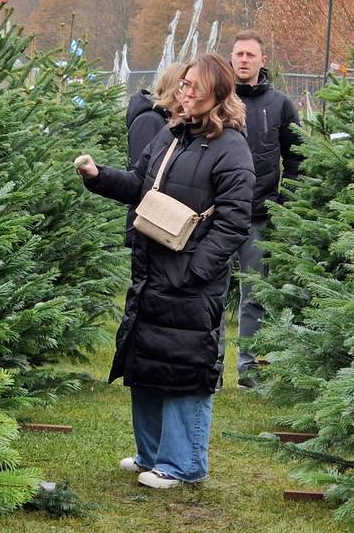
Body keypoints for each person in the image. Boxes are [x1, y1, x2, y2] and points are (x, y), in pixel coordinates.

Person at [76, 55, 254, 488]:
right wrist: (98, 176)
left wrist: (196, 271)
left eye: (195, 86)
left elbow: (233, 222)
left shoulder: (232, 148)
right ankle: (150, 454)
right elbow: (140, 184)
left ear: (218, 94)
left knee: (184, 368)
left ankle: (183, 464)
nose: (185, 91)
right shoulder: (172, 135)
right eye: (184, 84)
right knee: (149, 362)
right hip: (153, 271)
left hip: (190, 281)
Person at [223, 30, 302, 388]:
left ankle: (248, 369)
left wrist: (284, 203)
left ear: (262, 60)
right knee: (211, 293)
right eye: (238, 54)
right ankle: (211, 369)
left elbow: (298, 158)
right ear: (231, 58)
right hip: (218, 216)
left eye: (250, 55)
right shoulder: (218, 100)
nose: (243, 60)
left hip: (260, 215)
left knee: (254, 296)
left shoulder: (280, 105)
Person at [122, 65, 185, 243]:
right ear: (175, 89)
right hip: (149, 220)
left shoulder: (170, 121)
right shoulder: (149, 120)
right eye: (186, 86)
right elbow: (143, 175)